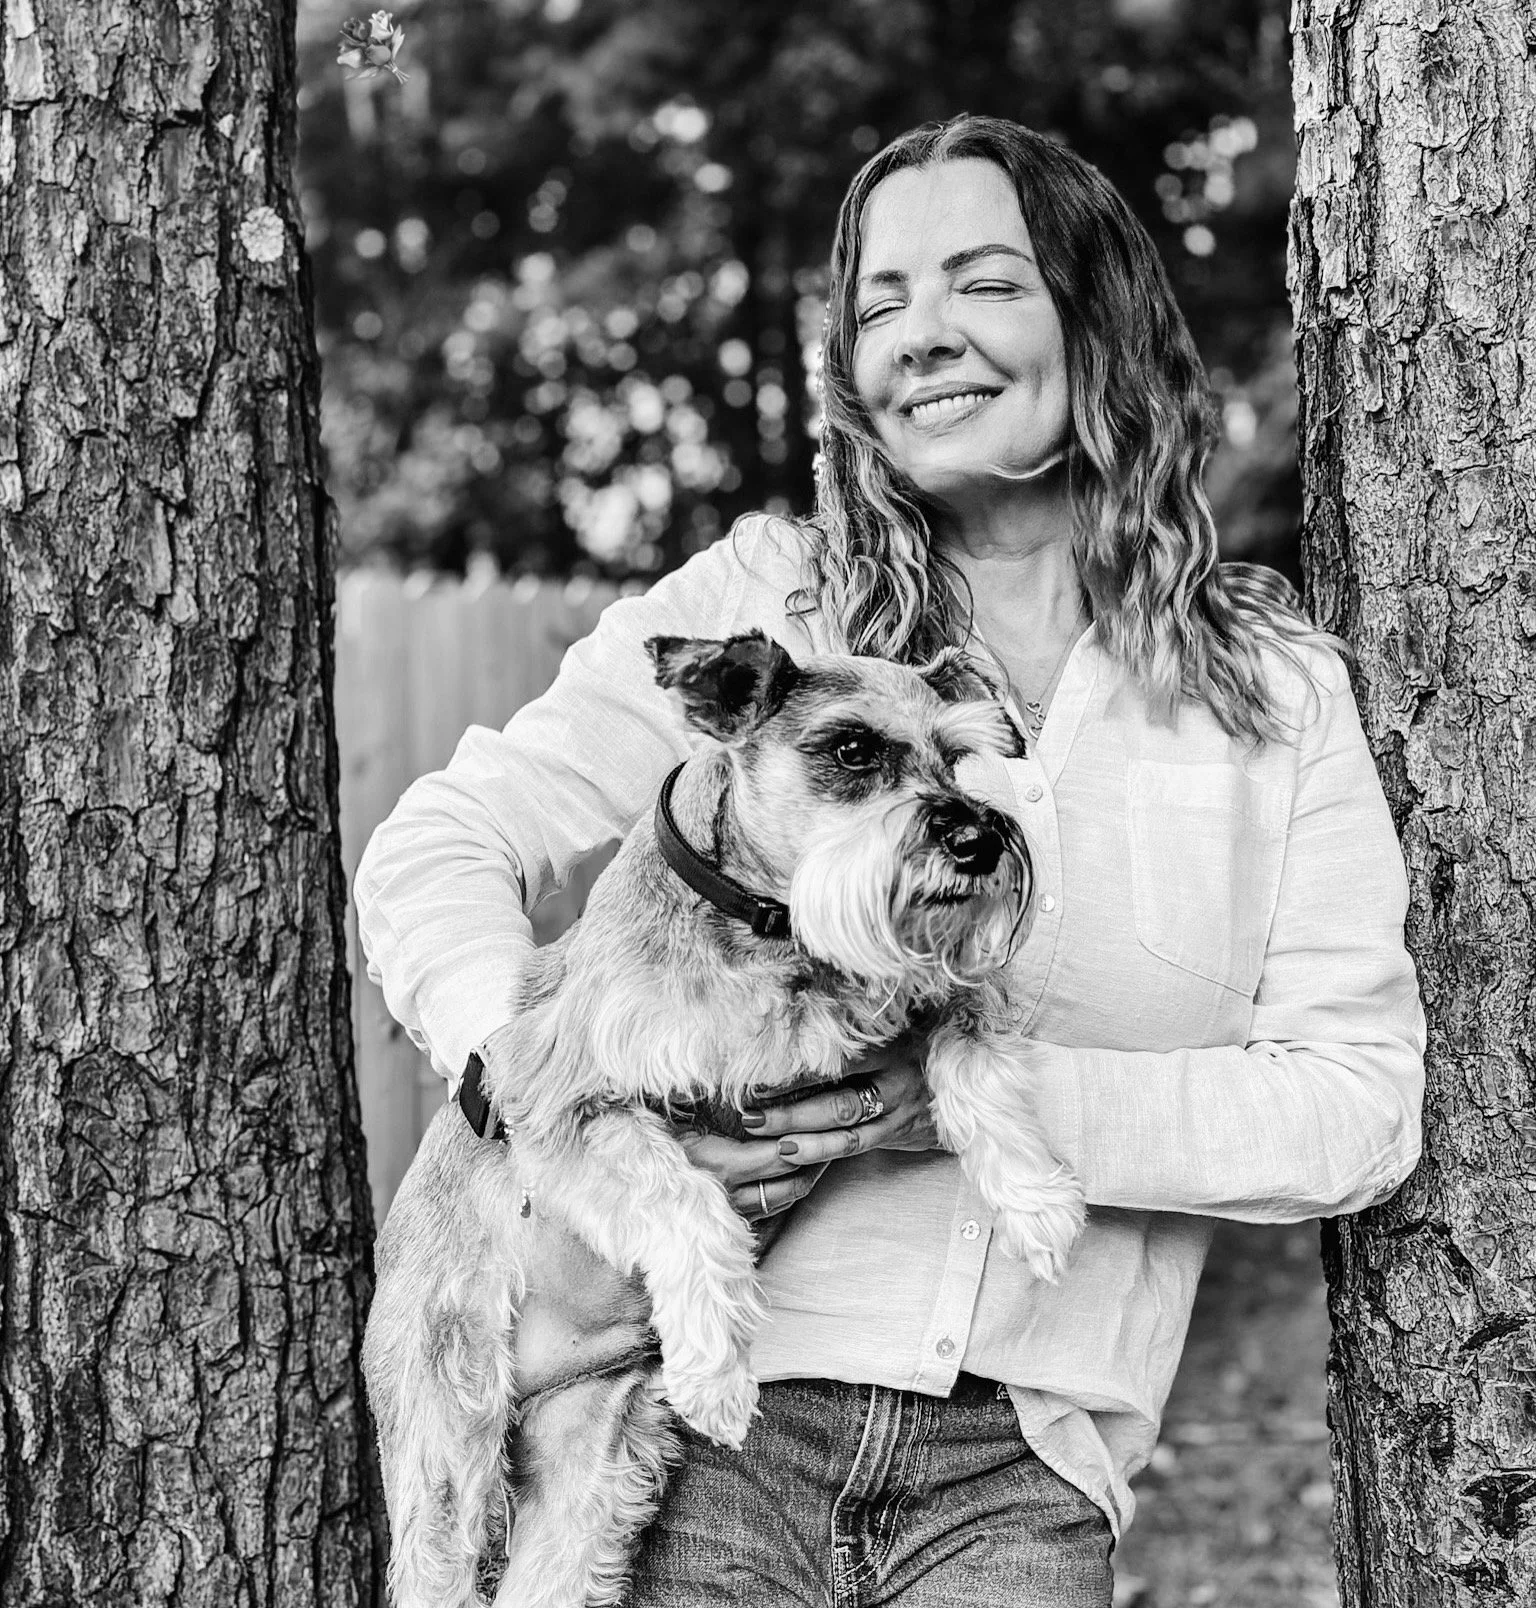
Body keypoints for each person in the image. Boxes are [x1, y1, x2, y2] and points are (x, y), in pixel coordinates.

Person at [354, 114, 1424, 1606]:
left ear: (1093, 315)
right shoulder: (769, 605)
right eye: (878, 305)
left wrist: (948, 1105)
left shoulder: (1271, 691)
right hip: (699, 1427)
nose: (919, 337)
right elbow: (441, 842)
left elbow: (1356, 1109)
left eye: (982, 284)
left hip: (1025, 1476)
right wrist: (512, 1069)